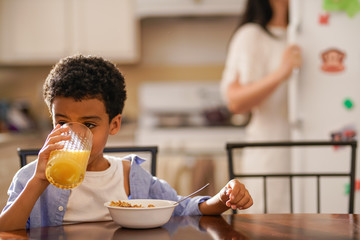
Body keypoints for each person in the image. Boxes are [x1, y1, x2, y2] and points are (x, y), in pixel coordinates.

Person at [0, 55, 253, 231]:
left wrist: (221, 199)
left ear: (114, 124)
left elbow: (182, 208)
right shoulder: (32, 177)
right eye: (63, 123)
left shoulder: (132, 176)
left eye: (88, 125)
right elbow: (6, 229)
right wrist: (38, 182)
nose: (75, 135)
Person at [220, 0, 301, 213]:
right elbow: (235, 102)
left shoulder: (307, 34)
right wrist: (281, 74)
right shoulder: (251, 35)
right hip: (270, 156)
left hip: (313, 152)